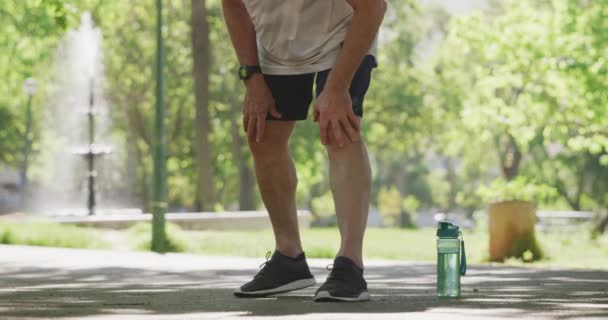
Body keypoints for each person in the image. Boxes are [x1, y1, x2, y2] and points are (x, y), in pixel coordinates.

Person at [222, 0, 386, 302]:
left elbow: (373, 7)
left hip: (343, 34)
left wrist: (336, 89)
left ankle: (350, 264)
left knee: (339, 130)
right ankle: (289, 260)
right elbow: (232, 5)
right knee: (262, 137)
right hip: (277, 43)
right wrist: (252, 77)